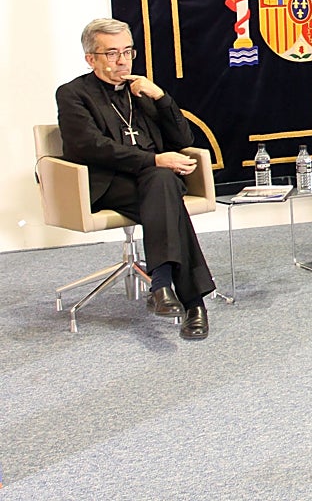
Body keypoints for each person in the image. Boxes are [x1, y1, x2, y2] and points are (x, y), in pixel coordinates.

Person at [55, 18, 214, 340]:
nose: (122, 60)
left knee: (162, 183)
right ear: (91, 58)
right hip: (111, 183)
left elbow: (183, 137)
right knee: (165, 188)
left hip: (154, 182)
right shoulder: (73, 94)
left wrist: (162, 98)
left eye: (127, 51)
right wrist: (154, 159)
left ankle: (163, 286)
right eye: (112, 53)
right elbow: (89, 147)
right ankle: (191, 301)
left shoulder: (140, 91)